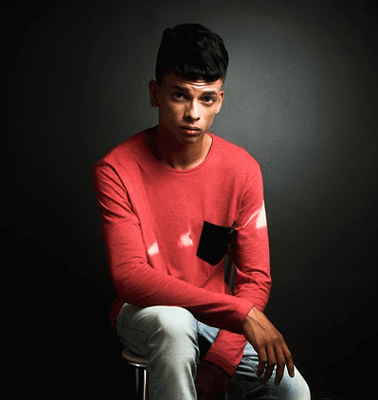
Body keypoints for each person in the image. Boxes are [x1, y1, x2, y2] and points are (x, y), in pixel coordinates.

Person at [93, 23, 310, 399]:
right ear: (155, 93)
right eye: (180, 95)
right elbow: (130, 277)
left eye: (206, 99)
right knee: (174, 323)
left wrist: (221, 361)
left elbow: (255, 278)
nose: (193, 113)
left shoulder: (242, 169)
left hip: (215, 319)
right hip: (145, 312)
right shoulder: (117, 169)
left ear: (220, 100)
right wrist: (242, 314)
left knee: (292, 392)